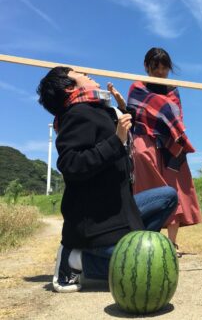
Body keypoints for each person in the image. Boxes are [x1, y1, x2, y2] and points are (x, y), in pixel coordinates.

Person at [36, 66, 178, 293]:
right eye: (78, 73)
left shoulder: (98, 110)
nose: (86, 73)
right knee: (143, 266)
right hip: (96, 222)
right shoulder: (76, 114)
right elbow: (71, 164)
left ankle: (131, 247)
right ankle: (75, 259)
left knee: (168, 197)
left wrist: (123, 109)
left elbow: (126, 130)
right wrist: (116, 140)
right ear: (69, 87)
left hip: (120, 209)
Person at [124, 47, 202, 255]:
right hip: (144, 143)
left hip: (171, 145)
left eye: (164, 67)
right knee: (148, 191)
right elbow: (133, 115)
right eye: (155, 67)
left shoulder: (173, 90)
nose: (160, 72)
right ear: (146, 67)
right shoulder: (136, 87)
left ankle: (171, 243)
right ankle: (148, 240)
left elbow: (175, 116)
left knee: (173, 190)